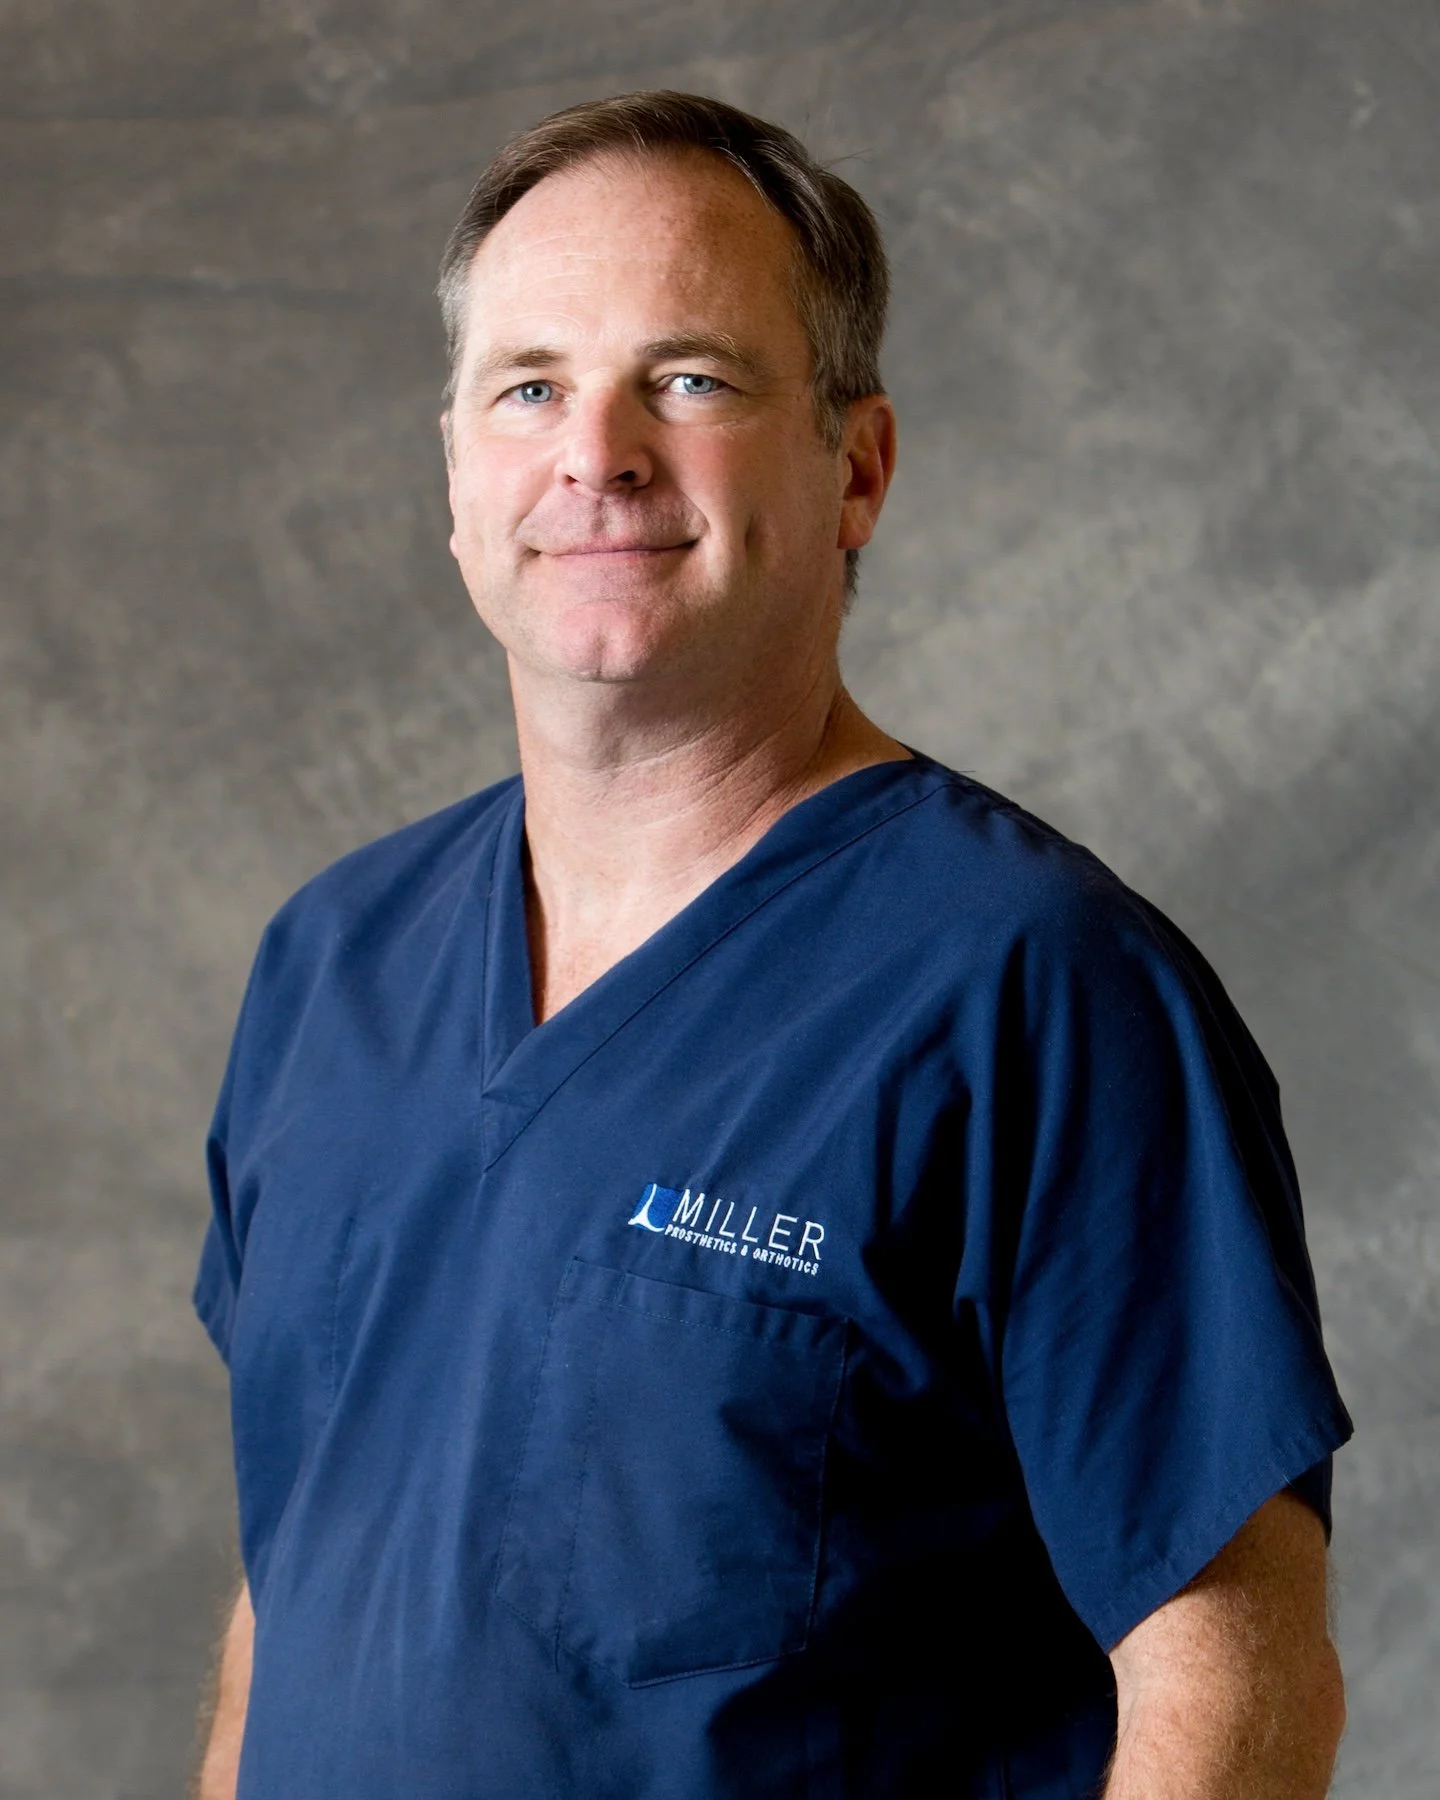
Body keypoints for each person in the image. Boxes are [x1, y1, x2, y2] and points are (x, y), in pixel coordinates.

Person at [192, 91, 1353, 1800]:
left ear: (857, 467)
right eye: (529, 388)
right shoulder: (331, 968)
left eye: (691, 380)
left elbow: (1237, 1695)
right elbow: (294, 1586)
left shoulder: (1033, 991)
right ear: (455, 474)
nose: (597, 453)